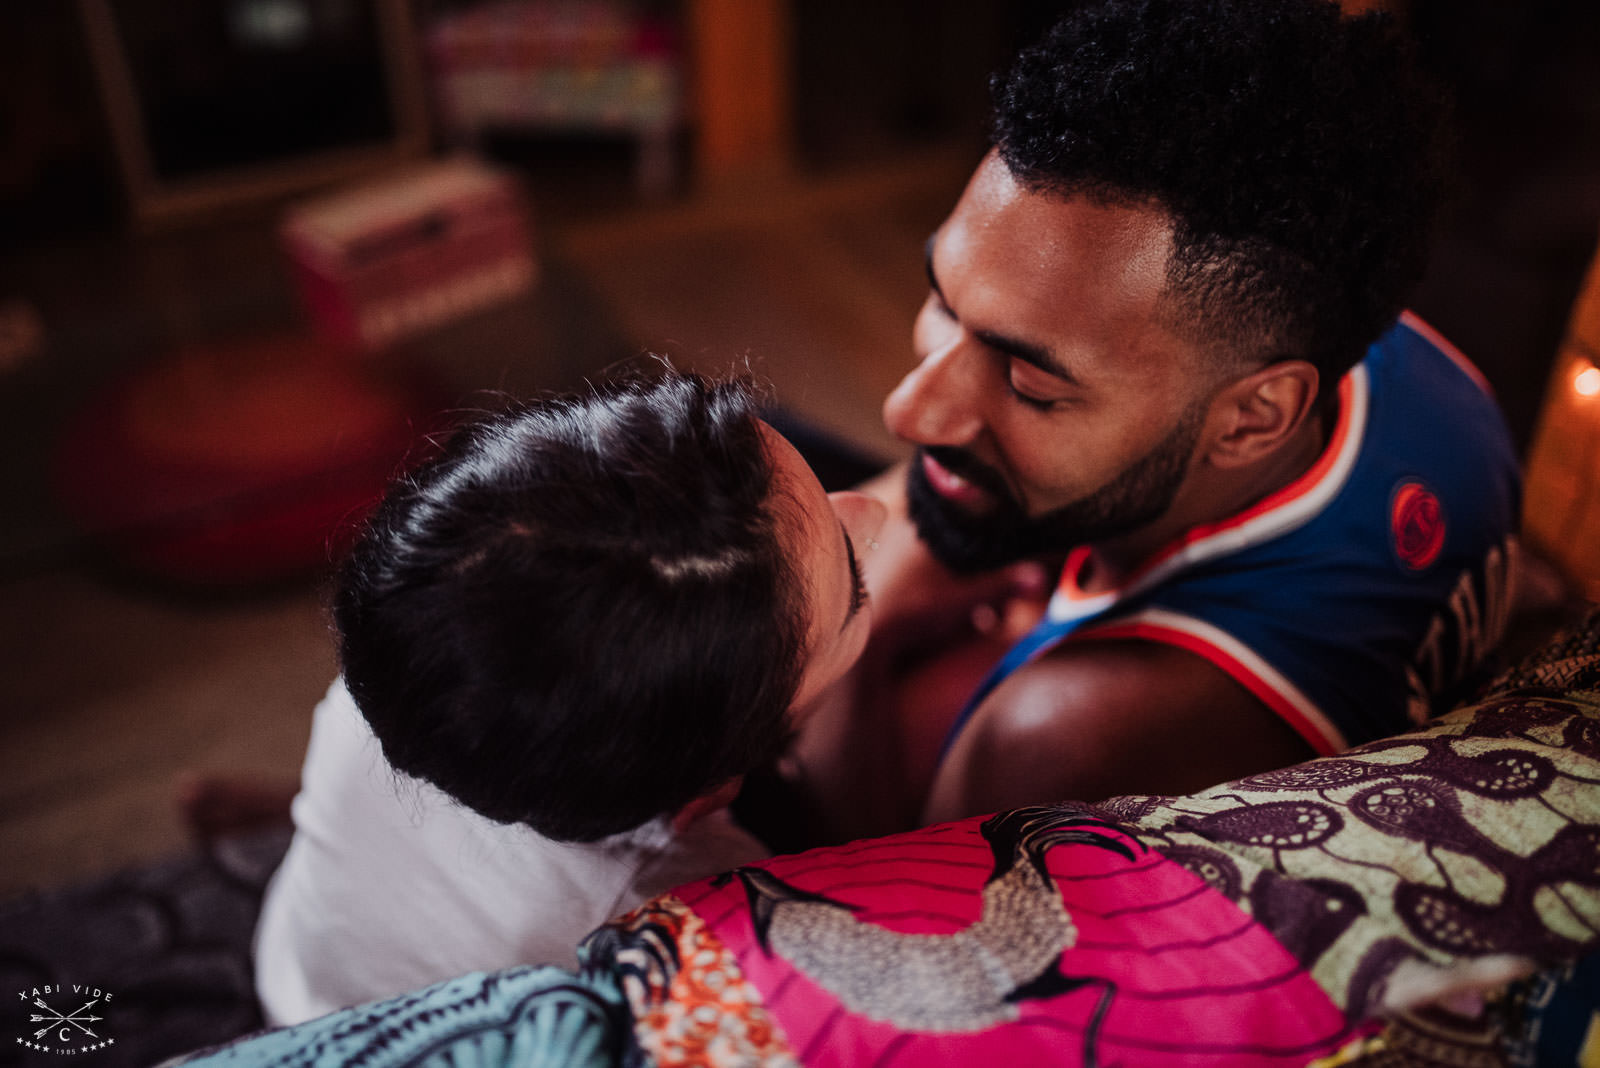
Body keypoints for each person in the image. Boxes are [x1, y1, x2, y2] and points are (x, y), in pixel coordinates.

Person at [780, 0, 1522, 843]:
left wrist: (856, 635)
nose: (907, 409)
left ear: (1254, 418)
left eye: (1029, 380)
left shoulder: (1066, 735)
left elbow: (865, 905)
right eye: (945, 303)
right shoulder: (1413, 360)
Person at [252, 367, 886, 1025]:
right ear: (709, 795)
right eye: (856, 589)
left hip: (301, 974)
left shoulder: (393, 677)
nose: (873, 509)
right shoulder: (685, 909)